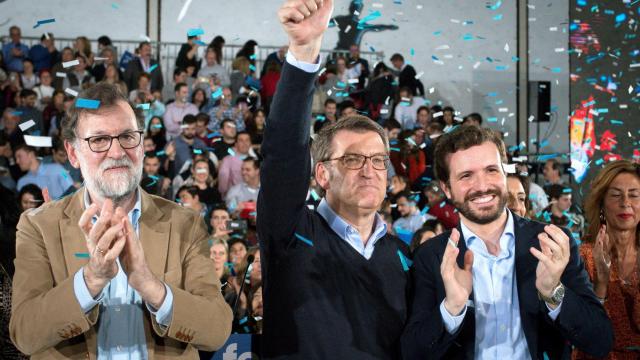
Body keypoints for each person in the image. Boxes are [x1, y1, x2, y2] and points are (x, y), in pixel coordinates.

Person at [9, 82, 231, 358]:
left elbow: (217, 330)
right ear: (73, 154)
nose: (116, 152)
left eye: (127, 136)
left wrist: (150, 286)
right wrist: (92, 279)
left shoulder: (186, 223)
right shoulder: (37, 226)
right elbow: (25, 334)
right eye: (99, 140)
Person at [258, 1, 411, 358]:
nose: (369, 169)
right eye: (354, 159)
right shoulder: (292, 232)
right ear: (322, 173)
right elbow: (283, 155)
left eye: (378, 160)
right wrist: (304, 53)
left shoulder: (403, 257)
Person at [401, 125, 613, 359]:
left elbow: (600, 341)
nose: (482, 186)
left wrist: (553, 292)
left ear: (505, 173)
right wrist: (451, 308)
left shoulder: (552, 243)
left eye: (491, 170)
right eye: (466, 175)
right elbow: (412, 353)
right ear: (446, 188)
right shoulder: (430, 256)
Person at [577, 160, 640, 359]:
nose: (625, 203)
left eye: (634, 195)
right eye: (615, 195)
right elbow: (583, 329)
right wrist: (601, 283)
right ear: (601, 203)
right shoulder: (582, 256)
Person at [217, 131, 253, 196]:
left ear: (250, 143)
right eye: (241, 140)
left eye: (247, 140)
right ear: (236, 144)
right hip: (233, 197)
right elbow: (223, 184)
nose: (244, 143)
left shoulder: (255, 159)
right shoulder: (227, 160)